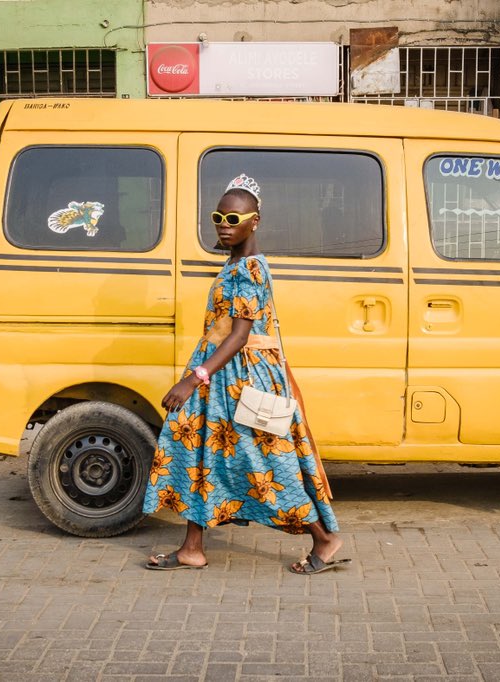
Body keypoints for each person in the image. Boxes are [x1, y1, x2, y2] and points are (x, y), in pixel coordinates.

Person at [143, 173, 347, 575]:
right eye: (219, 216)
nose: (223, 224)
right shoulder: (234, 263)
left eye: (233, 219)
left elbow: (239, 336)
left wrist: (192, 378)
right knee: (202, 455)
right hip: (220, 380)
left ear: (255, 221)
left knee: (264, 464)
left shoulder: (249, 270)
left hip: (239, 381)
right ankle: (192, 548)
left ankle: (323, 538)